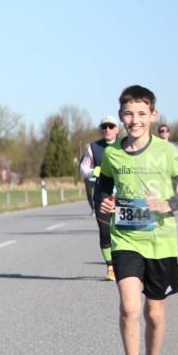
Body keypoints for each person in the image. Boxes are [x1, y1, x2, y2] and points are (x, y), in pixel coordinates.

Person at [97, 85, 178, 355]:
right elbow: (104, 185)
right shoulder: (112, 154)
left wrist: (168, 203)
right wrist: (104, 202)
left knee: (154, 314)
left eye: (142, 114)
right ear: (121, 116)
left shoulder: (166, 152)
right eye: (128, 114)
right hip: (126, 240)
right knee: (129, 307)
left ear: (153, 115)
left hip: (160, 243)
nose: (135, 120)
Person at [79, 116, 122, 280]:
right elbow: (83, 168)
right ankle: (110, 266)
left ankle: (123, 264)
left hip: (122, 196)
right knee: (105, 232)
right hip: (102, 195)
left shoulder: (124, 146)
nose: (107, 129)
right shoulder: (93, 147)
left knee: (121, 231)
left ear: (117, 129)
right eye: (104, 127)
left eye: (111, 126)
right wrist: (93, 171)